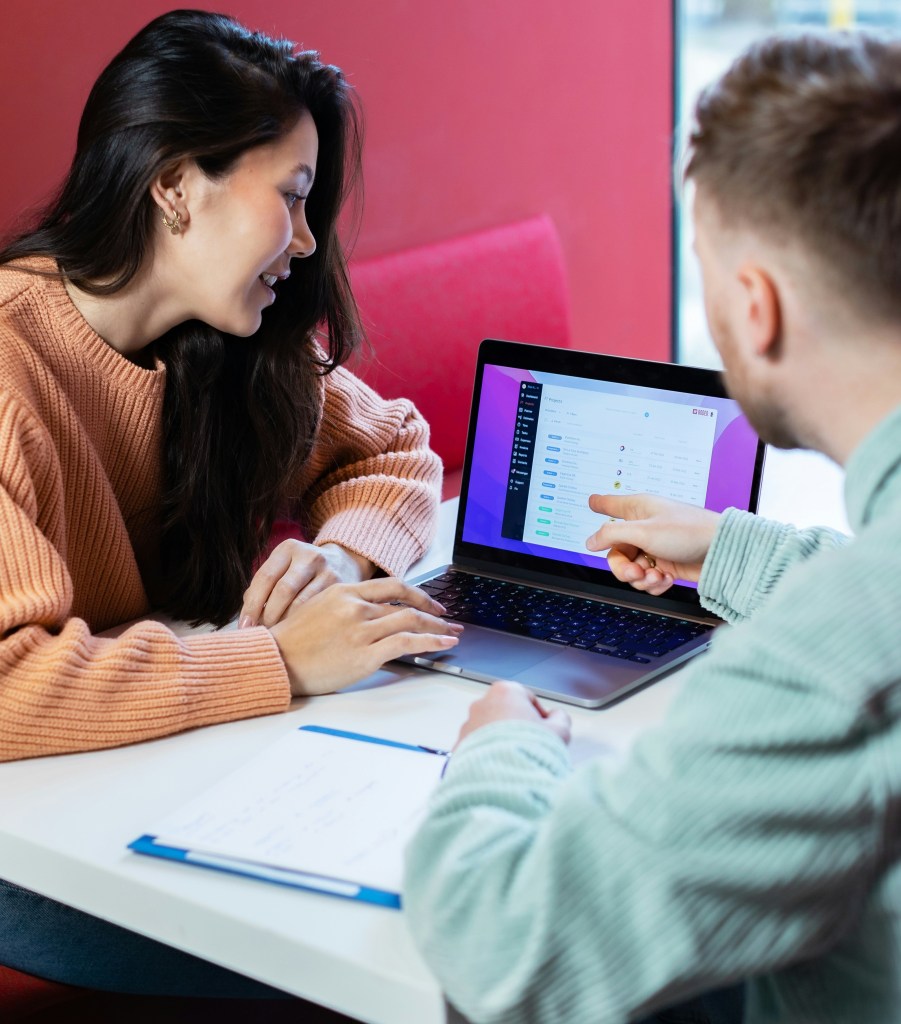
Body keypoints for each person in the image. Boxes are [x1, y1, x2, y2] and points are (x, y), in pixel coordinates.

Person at [405, 29, 901, 1024]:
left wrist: (499, 748)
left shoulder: (818, 669)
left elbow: (506, 946)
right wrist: (731, 546)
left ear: (753, 307)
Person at [0, 8, 458, 1003]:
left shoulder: (238, 343)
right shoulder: (9, 367)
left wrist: (342, 558)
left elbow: (397, 448)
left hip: (181, 778)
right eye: (289, 196)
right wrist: (280, 659)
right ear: (173, 187)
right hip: (31, 850)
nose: (303, 240)